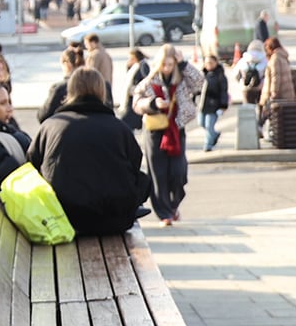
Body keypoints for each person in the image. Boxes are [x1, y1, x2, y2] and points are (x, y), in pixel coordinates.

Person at [29, 67, 151, 236]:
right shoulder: (119, 128)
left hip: (61, 218)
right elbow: (135, 163)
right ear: (102, 91)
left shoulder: (51, 126)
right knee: (143, 179)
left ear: (70, 91)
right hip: (115, 220)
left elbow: (32, 165)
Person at [132, 43, 203, 226]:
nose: (167, 68)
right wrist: (153, 104)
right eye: (164, 64)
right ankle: (165, 213)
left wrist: (184, 64)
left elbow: (200, 82)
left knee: (179, 172)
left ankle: (174, 205)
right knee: (158, 174)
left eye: (171, 64)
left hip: (176, 129)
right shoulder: (149, 81)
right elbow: (136, 102)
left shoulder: (182, 78)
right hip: (155, 131)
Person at [260, 36, 294, 128]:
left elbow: (276, 77)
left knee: (276, 123)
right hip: (287, 95)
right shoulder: (283, 57)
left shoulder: (275, 59)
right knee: (286, 122)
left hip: (279, 97)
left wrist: (273, 94)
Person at [198, 54, 230, 152]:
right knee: (201, 123)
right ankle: (215, 135)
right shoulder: (202, 75)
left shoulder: (220, 76)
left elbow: (224, 92)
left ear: (216, 63)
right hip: (202, 105)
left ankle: (208, 145)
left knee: (209, 126)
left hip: (213, 105)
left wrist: (223, 106)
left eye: (211, 63)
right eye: (207, 63)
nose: (209, 65)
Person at [119, 49, 151, 131]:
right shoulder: (135, 66)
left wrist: (135, 89)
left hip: (136, 99)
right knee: (127, 124)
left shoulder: (143, 66)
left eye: (131, 58)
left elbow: (146, 81)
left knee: (126, 123)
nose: (129, 60)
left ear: (135, 58)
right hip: (131, 100)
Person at [233, 39, 267, 105]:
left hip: (245, 88)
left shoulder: (244, 59)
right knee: (260, 105)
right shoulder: (264, 60)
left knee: (248, 106)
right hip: (260, 88)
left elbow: (235, 73)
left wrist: (241, 81)